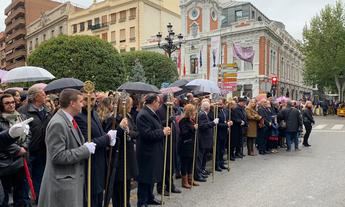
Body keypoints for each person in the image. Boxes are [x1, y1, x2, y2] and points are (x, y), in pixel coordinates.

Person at [38, 89, 97, 207]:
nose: (83, 104)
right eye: (80, 101)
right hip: (62, 184)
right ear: (72, 103)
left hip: (70, 181)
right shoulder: (58, 123)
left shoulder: (68, 119)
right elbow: (57, 156)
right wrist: (85, 150)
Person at [75, 91, 117, 207]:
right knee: (91, 198)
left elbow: (100, 133)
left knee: (99, 197)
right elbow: (87, 143)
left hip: (100, 162)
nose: (90, 103)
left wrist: (109, 136)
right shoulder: (79, 117)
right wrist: (107, 138)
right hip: (90, 164)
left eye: (93, 99)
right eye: (86, 99)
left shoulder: (92, 113)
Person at [18, 86, 53, 202]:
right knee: (26, 179)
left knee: (40, 177)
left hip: (43, 151)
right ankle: (26, 201)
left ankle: (39, 200)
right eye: (42, 94)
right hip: (29, 151)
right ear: (35, 97)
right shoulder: (23, 111)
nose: (45, 96)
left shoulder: (47, 110)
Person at [136, 94, 171, 207]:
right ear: (153, 102)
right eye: (158, 102)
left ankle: (149, 197)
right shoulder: (143, 115)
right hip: (147, 152)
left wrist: (163, 127)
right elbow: (147, 134)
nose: (159, 104)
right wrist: (162, 132)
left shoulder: (150, 112)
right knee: (145, 178)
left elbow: (154, 126)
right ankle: (142, 202)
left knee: (151, 176)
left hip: (154, 150)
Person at [0, 94, 30, 206]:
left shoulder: (21, 116)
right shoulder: (1, 118)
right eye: (7, 103)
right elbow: (3, 139)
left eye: (12, 102)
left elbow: (28, 133)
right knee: (5, 195)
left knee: (21, 192)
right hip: (5, 161)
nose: (11, 104)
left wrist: (24, 147)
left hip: (21, 160)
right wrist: (17, 149)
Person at [112, 96, 138, 207]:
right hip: (119, 157)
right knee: (119, 187)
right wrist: (120, 128)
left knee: (127, 184)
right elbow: (111, 137)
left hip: (129, 154)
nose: (131, 106)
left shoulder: (129, 117)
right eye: (130, 104)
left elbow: (136, 132)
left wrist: (129, 132)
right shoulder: (114, 119)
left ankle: (126, 203)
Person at [156, 95, 181, 196]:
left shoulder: (172, 109)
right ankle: (161, 187)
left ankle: (170, 185)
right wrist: (168, 121)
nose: (173, 101)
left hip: (173, 142)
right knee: (165, 166)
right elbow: (158, 125)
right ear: (167, 100)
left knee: (171, 166)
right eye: (171, 99)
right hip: (165, 142)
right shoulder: (160, 110)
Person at [195, 101, 218, 181]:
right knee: (200, 157)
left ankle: (201, 170)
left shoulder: (204, 114)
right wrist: (213, 123)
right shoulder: (202, 114)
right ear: (207, 108)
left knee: (203, 156)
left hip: (206, 139)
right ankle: (198, 174)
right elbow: (202, 126)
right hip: (203, 139)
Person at [178, 104, 199, 189]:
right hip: (185, 145)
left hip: (191, 144)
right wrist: (193, 128)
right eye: (193, 111)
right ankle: (184, 181)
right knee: (185, 164)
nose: (195, 112)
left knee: (191, 162)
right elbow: (184, 133)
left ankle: (190, 179)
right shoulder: (183, 121)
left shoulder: (191, 120)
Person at [216, 98, 232, 170]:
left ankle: (221, 163)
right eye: (219, 104)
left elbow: (227, 119)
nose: (220, 105)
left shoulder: (226, 110)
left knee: (222, 149)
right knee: (218, 150)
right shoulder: (216, 111)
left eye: (221, 104)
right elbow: (217, 124)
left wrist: (230, 122)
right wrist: (226, 124)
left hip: (225, 132)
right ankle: (217, 164)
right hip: (218, 133)